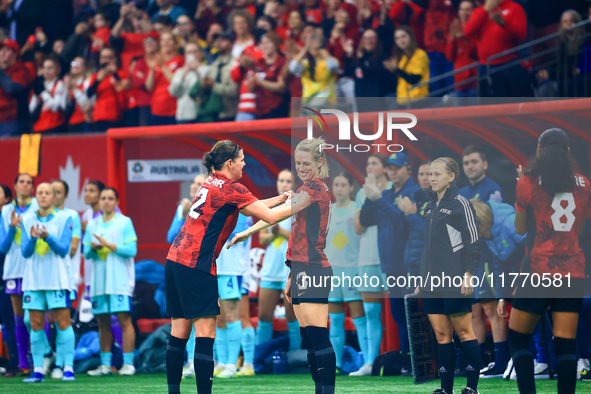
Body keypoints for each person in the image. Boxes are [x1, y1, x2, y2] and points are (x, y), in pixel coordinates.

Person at [164, 140, 310, 394]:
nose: (244, 163)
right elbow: (269, 217)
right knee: (207, 331)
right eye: (242, 159)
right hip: (197, 264)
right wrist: (305, 202)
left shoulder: (211, 181)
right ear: (230, 163)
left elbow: (246, 208)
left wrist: (281, 199)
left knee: (179, 331)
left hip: (175, 260)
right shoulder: (233, 188)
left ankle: (174, 391)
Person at [230, 138, 336, 394]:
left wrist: (248, 228)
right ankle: (319, 390)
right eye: (298, 163)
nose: (301, 167)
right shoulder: (304, 189)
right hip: (300, 269)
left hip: (314, 268)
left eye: (306, 163)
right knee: (309, 338)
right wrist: (291, 273)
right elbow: (293, 232)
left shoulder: (315, 190)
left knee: (318, 336)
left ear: (320, 163)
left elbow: (278, 215)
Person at [504, 128, 590, 394]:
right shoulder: (585, 184)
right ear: (567, 152)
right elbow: (581, 230)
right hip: (573, 272)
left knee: (518, 338)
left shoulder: (528, 182)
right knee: (565, 343)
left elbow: (519, 229)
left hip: (539, 269)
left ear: (539, 150)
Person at [418, 157, 481, 394]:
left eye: (436, 174)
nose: (431, 178)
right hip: (430, 281)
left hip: (455, 278)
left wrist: (469, 274)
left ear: (451, 176)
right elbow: (427, 248)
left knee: (465, 333)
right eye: (429, 174)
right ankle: (446, 390)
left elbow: (473, 241)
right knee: (441, 335)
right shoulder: (430, 205)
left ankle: (472, 389)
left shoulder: (460, 204)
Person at [359, 152, 422, 373]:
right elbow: (365, 220)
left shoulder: (415, 192)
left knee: (413, 314)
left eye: (397, 167)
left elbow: (403, 224)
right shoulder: (385, 193)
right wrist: (371, 195)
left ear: (408, 169)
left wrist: (379, 199)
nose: (393, 171)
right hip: (390, 263)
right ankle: (407, 360)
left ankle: (417, 360)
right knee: (398, 315)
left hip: (408, 263)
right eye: (390, 167)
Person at [458, 145, 507, 377]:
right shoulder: (462, 191)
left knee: (492, 309)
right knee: (474, 311)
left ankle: (502, 361)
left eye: (474, 161)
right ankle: (477, 362)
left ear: (485, 164)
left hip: (487, 257)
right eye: (466, 162)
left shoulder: (492, 189)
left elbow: (492, 228)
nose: (470, 166)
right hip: (468, 261)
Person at [20, 183, 75, 383]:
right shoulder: (27, 220)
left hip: (57, 279)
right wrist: (34, 239)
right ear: (36, 196)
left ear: (54, 197)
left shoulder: (64, 218)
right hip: (33, 280)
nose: (43, 196)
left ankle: (68, 367)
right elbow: (25, 252)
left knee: (63, 322)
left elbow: (63, 249)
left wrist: (48, 237)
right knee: (35, 324)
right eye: (40, 193)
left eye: (48, 193)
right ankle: (38, 370)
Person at [84, 187, 137, 377]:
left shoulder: (124, 222)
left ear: (116, 202)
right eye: (103, 198)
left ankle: (128, 363)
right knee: (102, 322)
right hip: (99, 281)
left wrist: (108, 245)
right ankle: (106, 365)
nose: (106, 201)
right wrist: (94, 247)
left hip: (120, 280)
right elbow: (86, 253)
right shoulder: (92, 225)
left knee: (124, 320)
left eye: (110, 198)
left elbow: (131, 250)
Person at [350, 154, 391, 377]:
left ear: (385, 168)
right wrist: (370, 200)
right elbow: (358, 227)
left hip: (392, 257)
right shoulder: (361, 192)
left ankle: (399, 359)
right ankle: (370, 363)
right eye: (367, 163)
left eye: (374, 163)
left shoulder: (395, 187)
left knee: (398, 311)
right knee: (370, 311)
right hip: (367, 256)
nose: (369, 167)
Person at [256, 170, 300, 353]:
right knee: (264, 315)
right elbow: (262, 238)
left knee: (292, 315)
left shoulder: (300, 208)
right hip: (270, 270)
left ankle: (296, 356)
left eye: (288, 181)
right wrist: (272, 233)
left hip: (291, 270)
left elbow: (301, 240)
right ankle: (259, 357)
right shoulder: (269, 207)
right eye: (281, 180)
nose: (284, 184)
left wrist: (279, 232)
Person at [326, 171, 364, 374]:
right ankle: (337, 363)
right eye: (336, 184)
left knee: (359, 317)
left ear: (351, 188)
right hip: (333, 272)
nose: (338, 188)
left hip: (353, 269)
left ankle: (367, 360)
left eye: (343, 185)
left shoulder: (356, 210)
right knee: (336, 321)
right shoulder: (328, 211)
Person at [0, 174, 38, 377]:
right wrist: (13, 228)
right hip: (14, 268)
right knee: (19, 318)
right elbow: (3, 247)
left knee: (36, 317)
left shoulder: (37, 208)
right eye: (21, 182)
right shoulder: (6, 210)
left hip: (34, 268)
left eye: (29, 182)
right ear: (14, 186)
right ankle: (22, 362)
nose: (25, 185)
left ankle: (40, 360)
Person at [462, 0, 532, 97]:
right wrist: (485, 9)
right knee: (488, 106)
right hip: (485, 66)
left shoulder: (514, 7)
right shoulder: (479, 11)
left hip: (508, 64)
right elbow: (466, 32)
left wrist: (503, 23)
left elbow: (521, 35)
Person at [213, 213, 253, 378]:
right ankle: (222, 362)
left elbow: (232, 233)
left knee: (233, 316)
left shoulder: (242, 210)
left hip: (232, 269)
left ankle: (232, 364)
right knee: (219, 318)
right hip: (213, 268)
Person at [231, 31, 287, 121]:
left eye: (268, 42)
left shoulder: (282, 61)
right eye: (262, 43)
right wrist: (251, 85)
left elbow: (282, 87)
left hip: (277, 109)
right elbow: (252, 87)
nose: (264, 45)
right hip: (260, 111)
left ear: (276, 44)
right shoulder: (260, 64)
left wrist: (259, 81)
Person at [288, 24, 339, 107]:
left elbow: (333, 66)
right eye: (312, 44)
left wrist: (321, 47)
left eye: (317, 43)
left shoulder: (328, 61)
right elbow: (292, 68)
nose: (314, 46)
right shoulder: (305, 64)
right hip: (310, 106)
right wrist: (306, 48)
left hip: (328, 105)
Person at [383, 25, 430, 106]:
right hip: (403, 100)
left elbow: (414, 80)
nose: (401, 41)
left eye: (403, 36)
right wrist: (391, 71)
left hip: (417, 99)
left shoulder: (420, 54)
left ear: (411, 37)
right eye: (397, 38)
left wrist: (397, 70)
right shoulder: (402, 58)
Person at [52, 180, 83, 300]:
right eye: (52, 192)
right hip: (44, 274)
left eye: (58, 192)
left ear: (65, 196)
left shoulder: (72, 215)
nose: (53, 195)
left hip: (65, 274)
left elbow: (73, 248)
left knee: (61, 315)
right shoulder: (40, 216)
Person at [0, 184, 19, 377]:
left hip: (4, 276)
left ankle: (15, 362)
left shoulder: (9, 218)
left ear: (6, 200)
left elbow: (3, 248)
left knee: (10, 321)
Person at [146, 31, 184, 125]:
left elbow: (175, 81)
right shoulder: (156, 61)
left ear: (175, 43)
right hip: (157, 109)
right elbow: (148, 86)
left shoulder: (180, 60)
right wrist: (152, 68)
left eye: (169, 39)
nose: (166, 42)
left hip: (174, 109)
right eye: (163, 40)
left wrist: (163, 66)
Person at [86, 47, 128, 131]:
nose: (107, 60)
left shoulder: (121, 73)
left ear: (115, 59)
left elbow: (124, 88)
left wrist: (115, 73)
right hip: (99, 117)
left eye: (110, 57)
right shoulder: (96, 76)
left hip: (116, 116)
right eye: (104, 58)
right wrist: (97, 81)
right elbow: (89, 94)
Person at [0, 39, 34, 136]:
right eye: (1, 50)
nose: (2, 53)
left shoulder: (22, 69)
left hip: (14, 122)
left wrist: (0, 71)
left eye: (6, 50)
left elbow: (12, 88)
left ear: (15, 54)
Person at [446, 0, 478, 101]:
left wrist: (460, 39)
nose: (464, 13)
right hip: (459, 81)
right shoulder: (455, 27)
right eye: (462, 9)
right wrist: (452, 40)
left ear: (474, 11)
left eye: (468, 9)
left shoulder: (477, 28)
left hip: (474, 80)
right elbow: (450, 57)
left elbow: (472, 53)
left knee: (476, 114)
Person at [168, 42, 208, 124]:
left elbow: (204, 88)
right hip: (184, 115)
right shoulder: (180, 72)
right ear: (185, 55)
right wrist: (183, 75)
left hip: (202, 114)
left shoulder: (206, 69)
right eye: (189, 52)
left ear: (200, 53)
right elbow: (172, 92)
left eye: (195, 51)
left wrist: (197, 69)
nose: (192, 55)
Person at [29, 56, 67, 134]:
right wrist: (36, 96)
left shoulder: (60, 85)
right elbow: (31, 109)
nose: (46, 71)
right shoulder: (40, 85)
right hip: (38, 127)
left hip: (55, 126)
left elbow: (55, 107)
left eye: (50, 68)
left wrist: (43, 93)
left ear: (58, 69)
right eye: (44, 68)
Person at [64, 57, 93, 133]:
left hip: (85, 120)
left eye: (78, 64)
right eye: (74, 63)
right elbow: (64, 105)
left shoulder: (88, 81)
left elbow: (85, 103)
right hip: (72, 121)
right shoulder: (68, 82)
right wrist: (67, 88)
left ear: (85, 67)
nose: (75, 66)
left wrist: (74, 88)